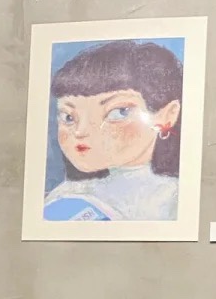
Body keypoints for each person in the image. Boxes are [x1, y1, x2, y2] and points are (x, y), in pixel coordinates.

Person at [43, 38, 184, 222]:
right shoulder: (63, 197)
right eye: (69, 117)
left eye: (119, 112)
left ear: (167, 115)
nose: (80, 131)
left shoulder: (176, 199)